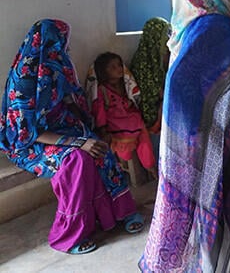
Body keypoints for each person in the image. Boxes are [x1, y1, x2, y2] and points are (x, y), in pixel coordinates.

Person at [140, 0, 230, 272]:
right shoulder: (215, 30)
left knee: (190, 205)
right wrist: (204, 127)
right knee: (202, 203)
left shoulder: (203, 26)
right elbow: (183, 84)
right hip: (204, 142)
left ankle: (194, 262)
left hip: (198, 138)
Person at [0, 19, 144, 255]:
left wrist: (88, 132)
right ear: (46, 45)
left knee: (99, 150)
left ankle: (121, 213)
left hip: (63, 129)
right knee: (76, 161)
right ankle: (70, 233)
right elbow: (26, 133)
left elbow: (71, 100)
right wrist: (79, 142)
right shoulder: (23, 80)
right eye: (60, 43)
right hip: (30, 144)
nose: (65, 49)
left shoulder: (58, 70)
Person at [89, 52, 156, 177]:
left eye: (119, 65)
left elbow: (131, 101)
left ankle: (150, 165)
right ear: (103, 71)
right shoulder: (102, 89)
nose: (118, 69)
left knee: (142, 130)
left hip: (129, 117)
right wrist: (102, 128)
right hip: (115, 121)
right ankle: (139, 163)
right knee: (135, 129)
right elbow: (100, 111)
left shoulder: (125, 85)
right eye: (112, 67)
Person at [130, 17, 171, 134]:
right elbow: (146, 91)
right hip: (150, 108)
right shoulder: (140, 62)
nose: (168, 42)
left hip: (162, 101)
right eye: (164, 38)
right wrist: (161, 92)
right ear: (155, 39)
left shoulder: (165, 54)